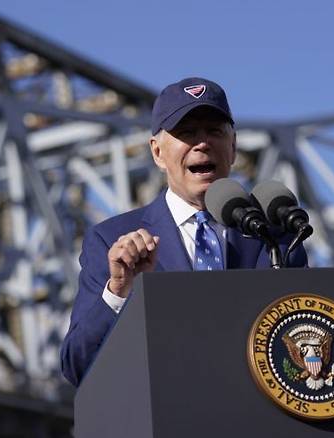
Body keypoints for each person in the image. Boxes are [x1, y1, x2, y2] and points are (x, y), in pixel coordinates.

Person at [60, 77, 307, 386]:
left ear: (232, 147)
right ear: (158, 153)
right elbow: (77, 365)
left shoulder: (276, 238)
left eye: (214, 131)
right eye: (186, 133)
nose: (202, 143)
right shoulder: (110, 240)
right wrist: (118, 291)